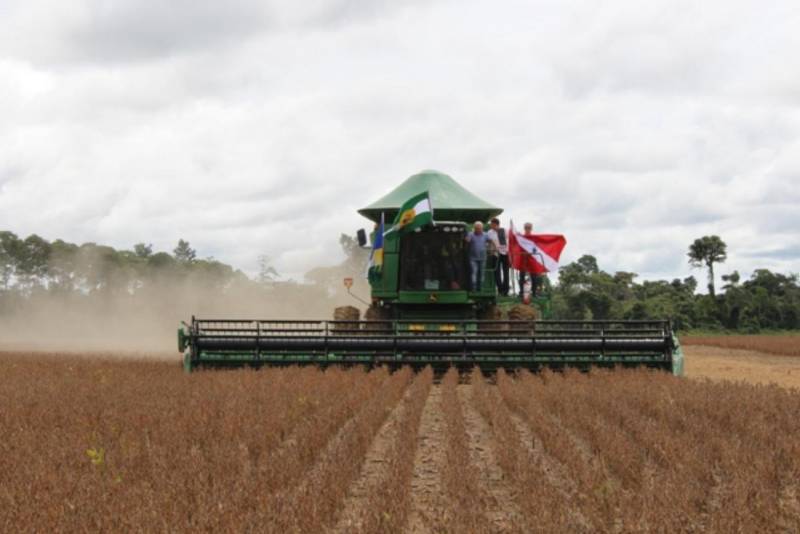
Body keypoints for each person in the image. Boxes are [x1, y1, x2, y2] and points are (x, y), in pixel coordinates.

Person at [487, 217, 509, 295]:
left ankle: (506, 291)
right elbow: (488, 241)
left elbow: (509, 241)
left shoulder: (504, 230)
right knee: (496, 272)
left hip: (505, 253)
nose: (491, 225)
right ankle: (500, 290)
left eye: (492, 224)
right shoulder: (489, 232)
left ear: (496, 224)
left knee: (506, 272)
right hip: (496, 254)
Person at [465, 221, 489, 291]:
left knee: (481, 274)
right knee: (474, 272)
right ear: (474, 228)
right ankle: (474, 288)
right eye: (476, 228)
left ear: (482, 228)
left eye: (479, 228)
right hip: (473, 258)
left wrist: (495, 248)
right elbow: (467, 240)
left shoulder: (485, 235)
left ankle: (480, 288)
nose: (478, 230)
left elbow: (491, 241)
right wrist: (467, 240)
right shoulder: (471, 234)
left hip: (483, 258)